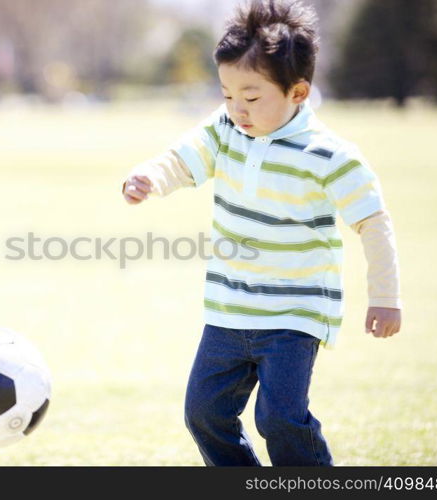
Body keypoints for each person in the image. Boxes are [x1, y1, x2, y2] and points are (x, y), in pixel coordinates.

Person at [121, 0, 402, 466]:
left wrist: (385, 297)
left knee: (280, 418)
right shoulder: (226, 129)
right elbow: (184, 156)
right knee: (204, 413)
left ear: (298, 92)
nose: (237, 109)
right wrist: (149, 177)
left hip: (294, 313)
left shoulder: (331, 155)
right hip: (229, 308)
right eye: (227, 95)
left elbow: (374, 223)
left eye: (251, 98)